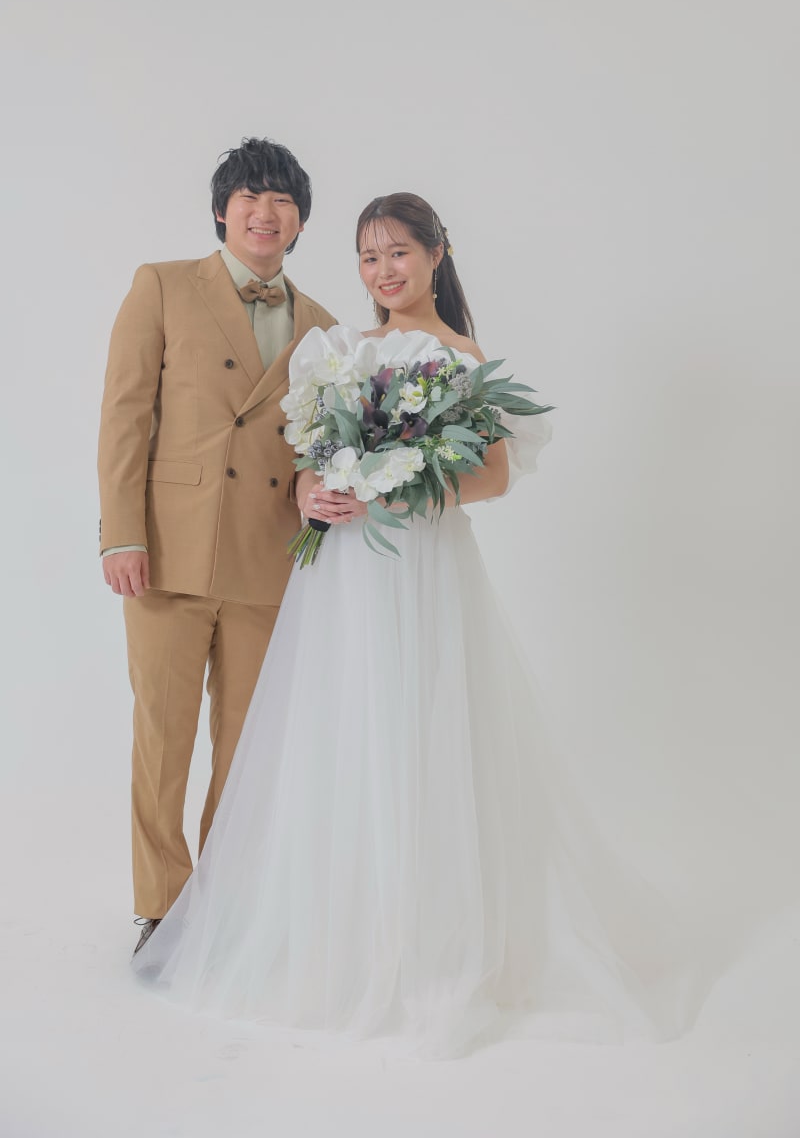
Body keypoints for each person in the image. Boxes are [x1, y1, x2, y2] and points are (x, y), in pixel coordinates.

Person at [133, 193, 688, 1057]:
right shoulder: (338, 349)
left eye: (398, 253)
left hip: (417, 568)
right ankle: (325, 930)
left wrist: (390, 489)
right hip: (337, 574)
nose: (383, 271)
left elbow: (491, 478)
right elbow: (306, 458)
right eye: (368, 257)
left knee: (411, 726)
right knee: (335, 731)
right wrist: (313, 490)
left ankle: (417, 939)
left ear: (436, 254)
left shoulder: (460, 356)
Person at [98, 138, 336, 955]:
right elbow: (125, 416)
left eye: (282, 200)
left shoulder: (323, 326)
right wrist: (122, 533)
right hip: (166, 552)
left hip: (269, 558)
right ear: (220, 210)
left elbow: (312, 447)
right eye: (249, 197)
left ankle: (225, 910)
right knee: (163, 740)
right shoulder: (162, 285)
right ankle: (161, 910)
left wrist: (317, 490)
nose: (265, 212)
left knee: (246, 748)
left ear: (300, 221)